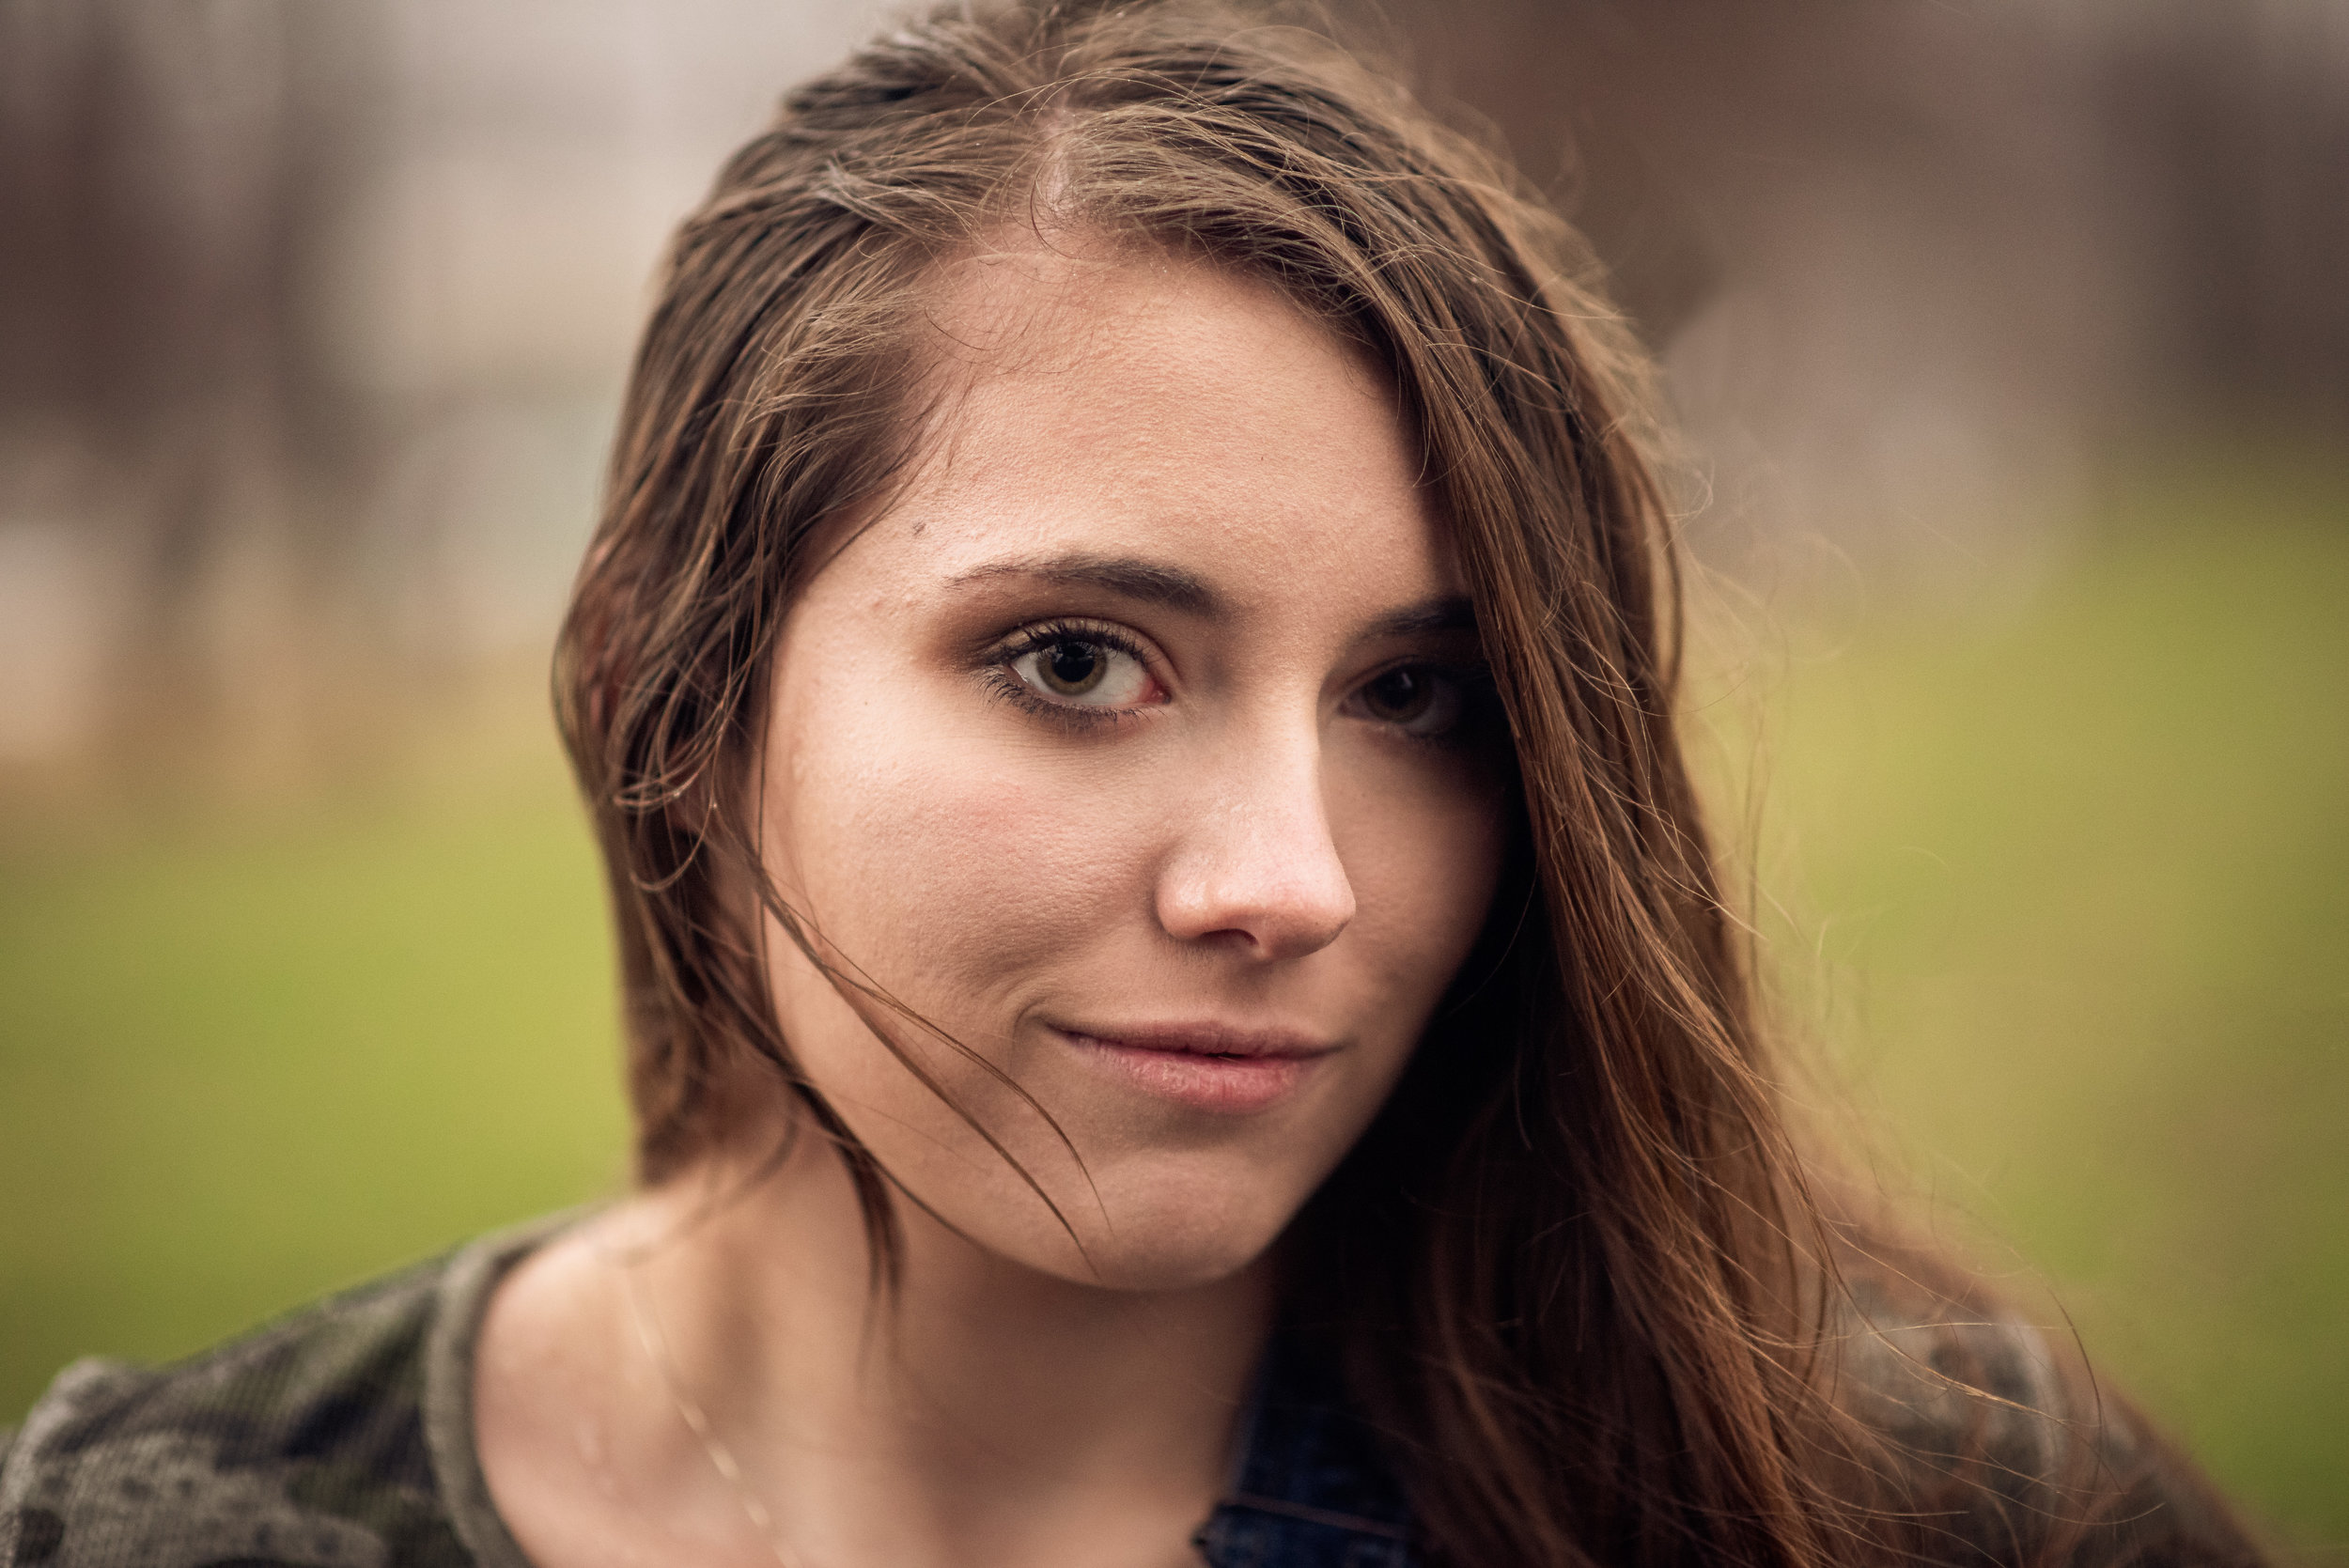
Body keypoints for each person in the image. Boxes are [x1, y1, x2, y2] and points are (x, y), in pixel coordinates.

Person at [0, 4, 2267, 1565]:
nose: (1289, 883)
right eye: (1077, 661)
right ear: (668, 684)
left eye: (1419, 699)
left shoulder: (1895, 1512)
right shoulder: (170, 1520)